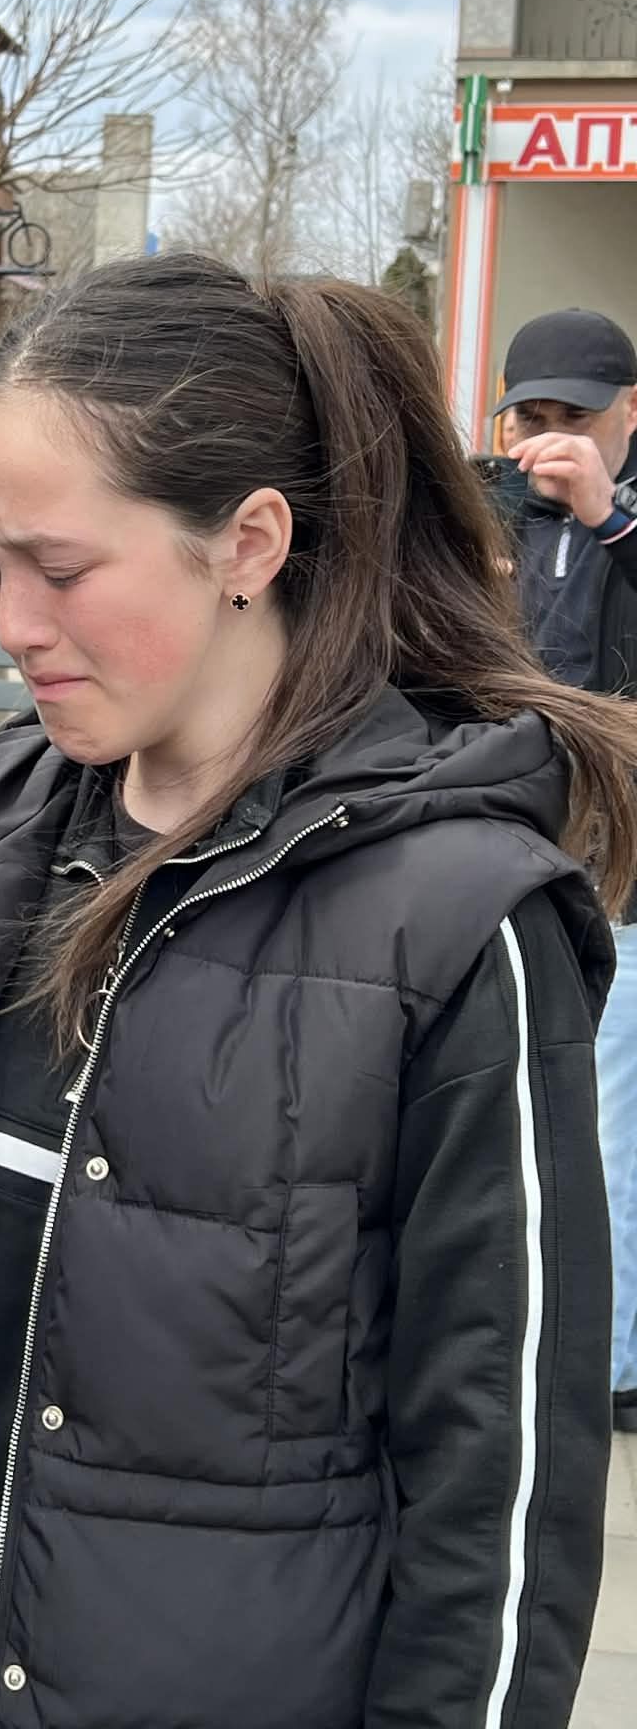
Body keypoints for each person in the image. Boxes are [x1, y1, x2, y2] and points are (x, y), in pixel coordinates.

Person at [0, 254, 622, 1729]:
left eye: (56, 569)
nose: (10, 621)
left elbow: (498, 1502)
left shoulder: (461, 924)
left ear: (247, 541)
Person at [493, 306, 637, 1437]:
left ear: (629, 412)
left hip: (623, 858)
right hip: (506, 841)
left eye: (576, 419)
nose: (551, 440)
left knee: (612, 1112)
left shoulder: (624, 518)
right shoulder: (487, 510)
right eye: (532, 418)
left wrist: (611, 519)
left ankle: (614, 1363)